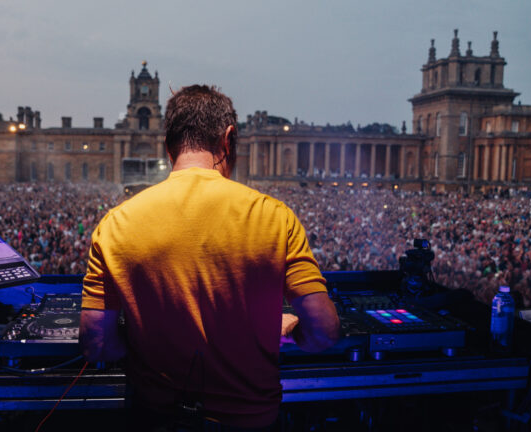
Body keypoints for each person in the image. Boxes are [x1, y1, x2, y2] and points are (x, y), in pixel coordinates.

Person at [82, 84, 340, 430]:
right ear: (228, 139)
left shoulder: (115, 224)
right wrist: (291, 329)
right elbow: (324, 332)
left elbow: (97, 344)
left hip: (155, 416)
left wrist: (147, 336)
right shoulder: (274, 216)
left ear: (167, 146)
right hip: (250, 419)